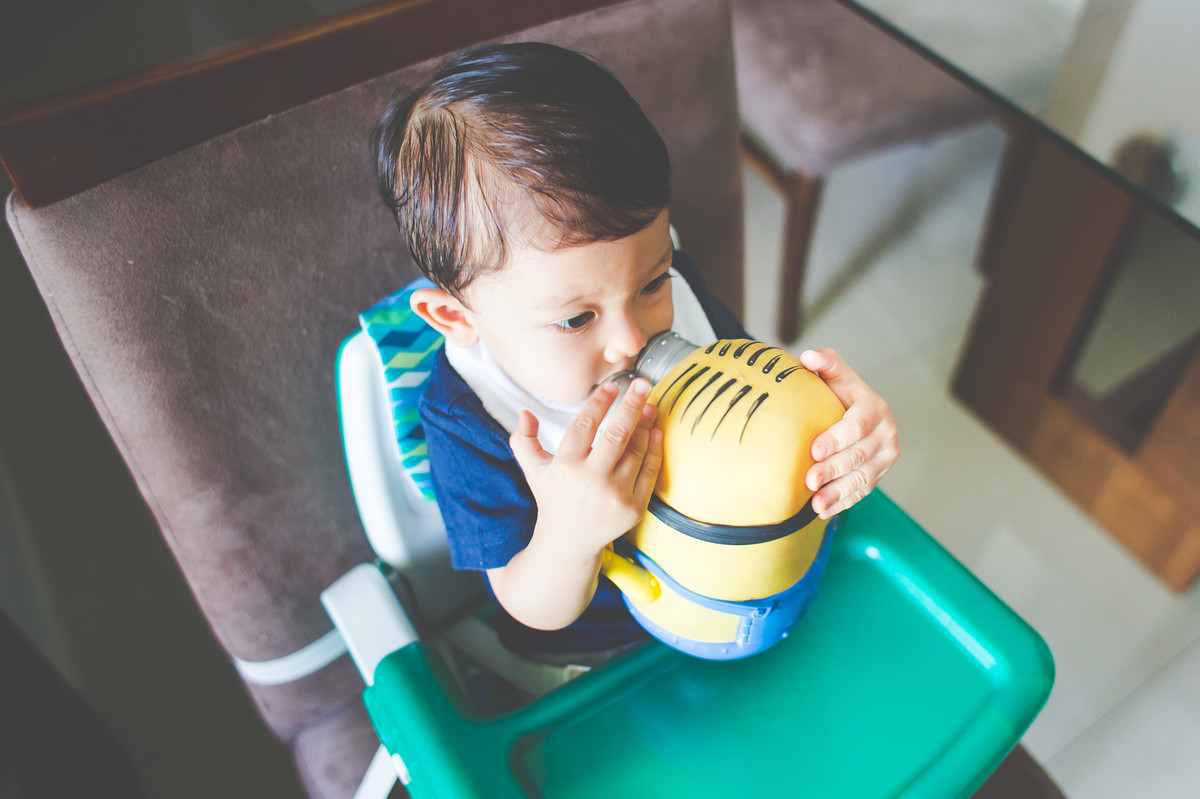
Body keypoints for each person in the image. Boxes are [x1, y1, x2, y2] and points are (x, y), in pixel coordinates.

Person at [372, 42, 899, 664]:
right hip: (607, 649)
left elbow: (759, 397)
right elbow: (527, 607)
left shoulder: (669, 282)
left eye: (653, 283)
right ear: (456, 320)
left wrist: (845, 430)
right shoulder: (474, 418)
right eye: (575, 319)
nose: (632, 339)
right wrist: (571, 537)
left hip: (755, 591)